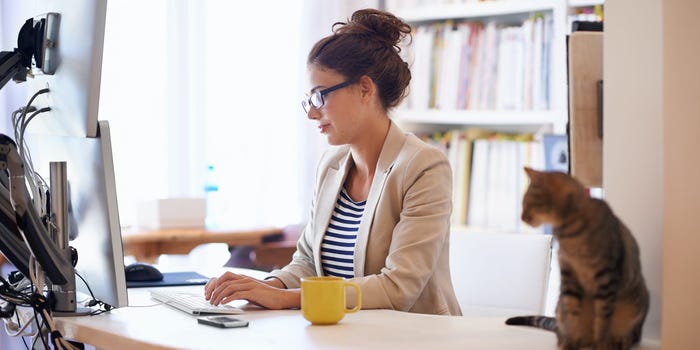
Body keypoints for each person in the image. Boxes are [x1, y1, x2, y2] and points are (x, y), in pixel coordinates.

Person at [205, 8, 461, 316]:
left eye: (320, 96)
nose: (312, 113)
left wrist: (285, 299)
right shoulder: (332, 163)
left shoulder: (424, 167)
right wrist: (263, 287)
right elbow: (308, 262)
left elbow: (398, 288)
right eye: (309, 100)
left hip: (414, 339)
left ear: (366, 88)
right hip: (344, 336)